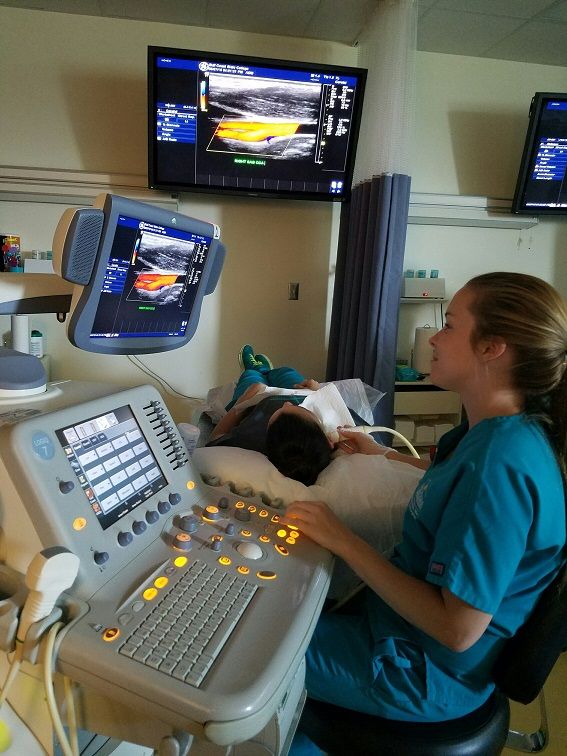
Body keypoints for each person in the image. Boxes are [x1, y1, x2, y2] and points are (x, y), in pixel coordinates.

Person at [283, 272, 567, 752]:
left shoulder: (499, 466)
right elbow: (443, 469)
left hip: (420, 672)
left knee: (243, 653)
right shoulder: (498, 431)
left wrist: (341, 540)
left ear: (492, 347)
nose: (435, 337)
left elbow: (457, 630)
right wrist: (383, 455)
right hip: (399, 633)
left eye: (450, 325)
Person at [206, 345, 338, 486]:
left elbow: (215, 437)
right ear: (328, 440)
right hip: (301, 393)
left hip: (254, 403)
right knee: (287, 373)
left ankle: (254, 368)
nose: (287, 404)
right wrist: (317, 391)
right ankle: (268, 370)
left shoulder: (250, 437)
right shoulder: (336, 430)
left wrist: (243, 401)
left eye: (279, 412)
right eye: (306, 411)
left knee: (251, 378)